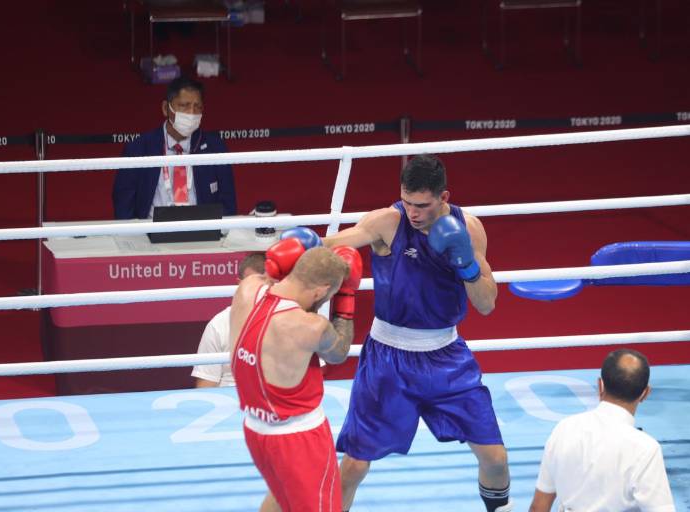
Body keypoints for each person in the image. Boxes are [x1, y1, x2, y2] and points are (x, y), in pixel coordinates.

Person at [283, 154, 512, 512]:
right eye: (407, 202)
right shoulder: (387, 222)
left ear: (443, 197)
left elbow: (486, 304)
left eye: (422, 205)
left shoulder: (468, 228)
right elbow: (336, 243)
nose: (413, 213)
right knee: (355, 465)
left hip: (446, 356)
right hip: (388, 358)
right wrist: (300, 246)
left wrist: (465, 264)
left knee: (496, 457)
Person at [230, 238, 363, 511]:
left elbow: (279, 288)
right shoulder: (310, 327)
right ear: (321, 291)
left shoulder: (248, 288)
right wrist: (345, 297)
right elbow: (337, 353)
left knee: (281, 496)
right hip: (299, 439)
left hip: (256, 430)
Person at [529, 349, 676, 512]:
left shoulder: (564, 428)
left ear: (600, 385)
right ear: (645, 393)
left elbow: (538, 507)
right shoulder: (645, 448)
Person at [112, 76, 237, 219]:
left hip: (202, 232)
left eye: (197, 107)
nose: (191, 113)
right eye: (184, 105)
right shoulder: (139, 148)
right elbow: (123, 204)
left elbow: (228, 205)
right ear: (166, 108)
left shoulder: (215, 147)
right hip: (150, 233)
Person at [191, 253, 266, 388]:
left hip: (277, 403)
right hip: (229, 402)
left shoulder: (290, 320)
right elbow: (205, 387)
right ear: (239, 284)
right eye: (252, 285)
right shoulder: (219, 325)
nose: (259, 291)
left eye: (266, 285)